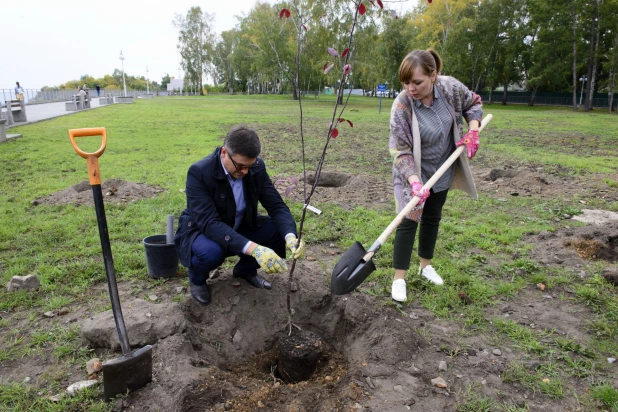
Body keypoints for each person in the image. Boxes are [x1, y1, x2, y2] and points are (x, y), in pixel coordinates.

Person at [389, 49, 482, 302]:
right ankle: (399, 278)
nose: (411, 88)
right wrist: (414, 180)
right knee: (408, 220)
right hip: (413, 171)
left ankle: (425, 266)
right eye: (406, 82)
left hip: (443, 166)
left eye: (417, 82)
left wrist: (473, 131)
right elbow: (400, 150)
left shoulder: (450, 89)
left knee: (432, 216)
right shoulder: (403, 105)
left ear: (433, 75)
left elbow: (473, 102)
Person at [175, 126, 306, 306]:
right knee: (211, 253)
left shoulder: (256, 168)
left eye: (249, 166)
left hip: (240, 224)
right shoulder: (199, 172)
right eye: (240, 166)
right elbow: (209, 223)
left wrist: (291, 236)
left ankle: (246, 270)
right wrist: (256, 249)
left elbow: (276, 206)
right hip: (203, 231)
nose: (245, 172)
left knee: (278, 231)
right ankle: (197, 280)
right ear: (224, 153)